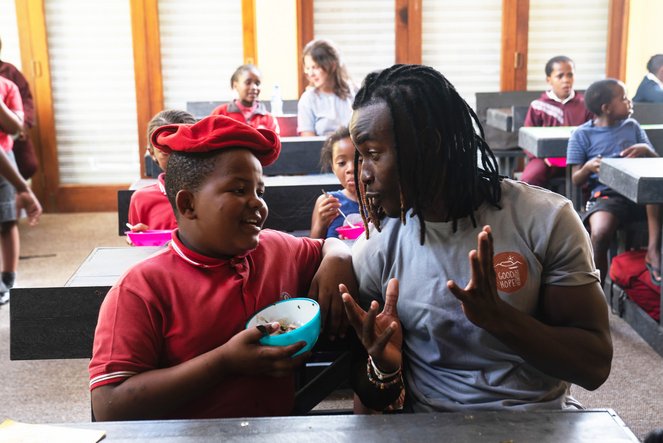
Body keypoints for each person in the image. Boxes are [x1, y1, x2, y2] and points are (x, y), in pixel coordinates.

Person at [337, 64, 612, 413]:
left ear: (428, 146)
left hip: (540, 424)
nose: (362, 174)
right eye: (361, 157)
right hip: (433, 429)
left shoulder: (545, 219)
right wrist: (385, 368)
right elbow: (373, 397)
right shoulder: (377, 248)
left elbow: (594, 365)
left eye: (374, 155)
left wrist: (501, 320)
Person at [89, 115, 355, 420]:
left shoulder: (275, 249)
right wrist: (223, 363)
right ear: (188, 204)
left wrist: (338, 257)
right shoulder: (142, 288)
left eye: (260, 191)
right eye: (240, 190)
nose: (258, 203)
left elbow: (325, 246)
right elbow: (109, 405)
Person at [567, 78, 661, 287]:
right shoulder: (582, 135)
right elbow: (575, 178)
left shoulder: (632, 127)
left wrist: (645, 150)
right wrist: (588, 167)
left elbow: (655, 162)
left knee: (653, 192)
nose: (630, 102)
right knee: (599, 234)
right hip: (607, 195)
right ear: (606, 108)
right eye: (624, 98)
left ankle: (653, 251)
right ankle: (594, 286)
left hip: (640, 192)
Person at [520, 55, 593, 188]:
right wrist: (542, 156)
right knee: (529, 179)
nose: (566, 80)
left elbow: (593, 133)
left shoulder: (586, 105)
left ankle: (587, 208)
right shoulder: (538, 106)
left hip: (578, 158)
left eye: (570, 75)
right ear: (549, 80)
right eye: (560, 76)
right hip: (545, 159)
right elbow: (527, 138)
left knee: (593, 178)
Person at [127, 109, 196, 232]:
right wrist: (139, 238)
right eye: (165, 152)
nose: (177, 158)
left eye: (183, 149)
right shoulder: (141, 199)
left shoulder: (213, 192)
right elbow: (141, 246)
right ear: (152, 153)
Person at [297, 39, 355, 137]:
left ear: (332, 65)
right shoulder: (308, 99)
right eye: (307, 68)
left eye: (315, 67)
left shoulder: (353, 94)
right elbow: (307, 143)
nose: (310, 74)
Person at [310, 126, 359, 238]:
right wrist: (321, 223)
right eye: (342, 163)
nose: (351, 169)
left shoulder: (381, 201)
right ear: (333, 168)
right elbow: (313, 246)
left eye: (359, 160)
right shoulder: (327, 203)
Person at [0, 75, 24, 305]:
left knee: (7, 219)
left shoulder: (8, 86)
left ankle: (7, 279)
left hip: (3, 160)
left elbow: (15, 127)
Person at [0, 37, 38, 179]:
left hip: (13, 134)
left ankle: (19, 195)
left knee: (26, 167)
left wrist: (23, 125)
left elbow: (26, 99)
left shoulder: (9, 72)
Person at [210, 64, 279, 134]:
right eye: (248, 83)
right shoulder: (220, 113)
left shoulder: (268, 118)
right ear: (235, 85)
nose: (254, 87)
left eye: (257, 83)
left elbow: (275, 143)